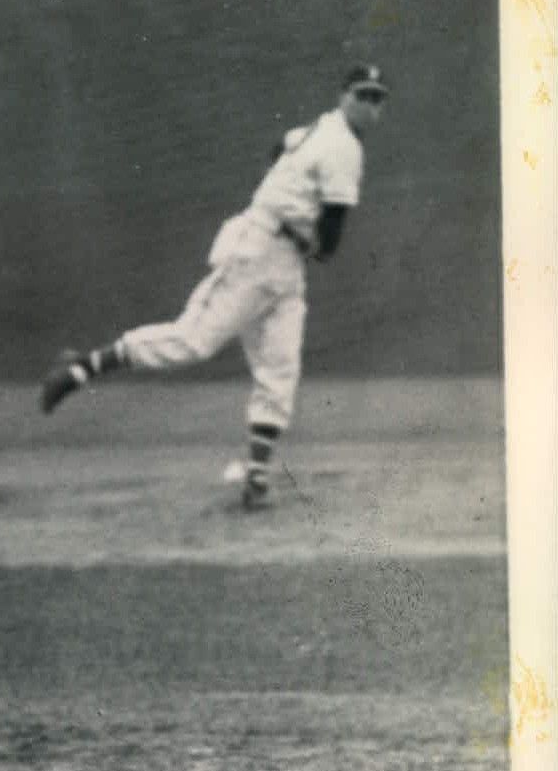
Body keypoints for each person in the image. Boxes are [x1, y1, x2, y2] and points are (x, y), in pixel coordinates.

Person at [39, 63, 386, 508]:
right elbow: (335, 221)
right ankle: (80, 368)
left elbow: (280, 145)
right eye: (363, 94)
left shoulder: (319, 128)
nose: (370, 105)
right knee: (193, 342)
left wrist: (288, 195)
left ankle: (256, 478)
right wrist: (316, 241)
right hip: (259, 250)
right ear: (344, 95)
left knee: (280, 367)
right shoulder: (343, 147)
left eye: (378, 98)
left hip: (285, 261)